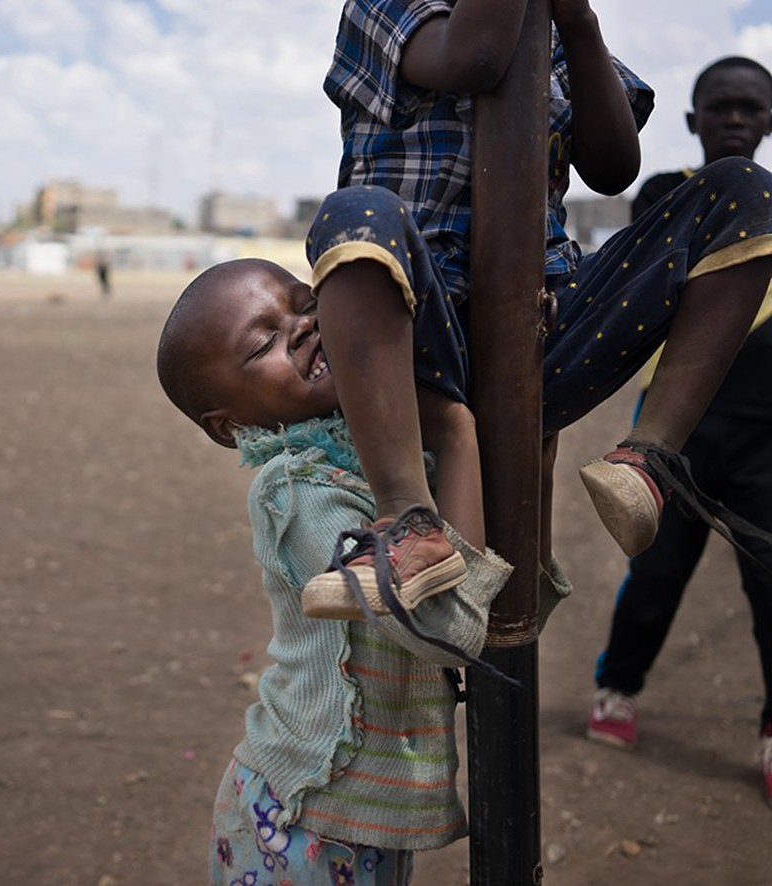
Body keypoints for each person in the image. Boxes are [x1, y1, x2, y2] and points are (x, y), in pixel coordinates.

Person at [288, 0, 772, 620]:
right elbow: (476, 57)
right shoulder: (385, 8)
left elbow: (613, 167)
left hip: (543, 329)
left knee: (746, 192)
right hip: (416, 327)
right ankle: (408, 518)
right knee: (354, 212)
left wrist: (578, 22)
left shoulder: (556, 39)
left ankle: (649, 457)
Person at [158, 257, 585, 882]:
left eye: (308, 305)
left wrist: (533, 457)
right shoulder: (299, 490)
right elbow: (450, 629)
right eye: (264, 343)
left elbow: (508, 606)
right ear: (231, 427)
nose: (303, 328)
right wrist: (457, 430)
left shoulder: (385, 464)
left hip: (352, 818)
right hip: (303, 817)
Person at [586, 56, 772, 806]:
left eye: (751, 107)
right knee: (657, 572)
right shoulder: (670, 197)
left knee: (770, 584)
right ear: (693, 123)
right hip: (678, 427)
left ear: (769, 120)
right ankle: (617, 688)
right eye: (719, 107)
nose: (735, 118)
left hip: (769, 436)